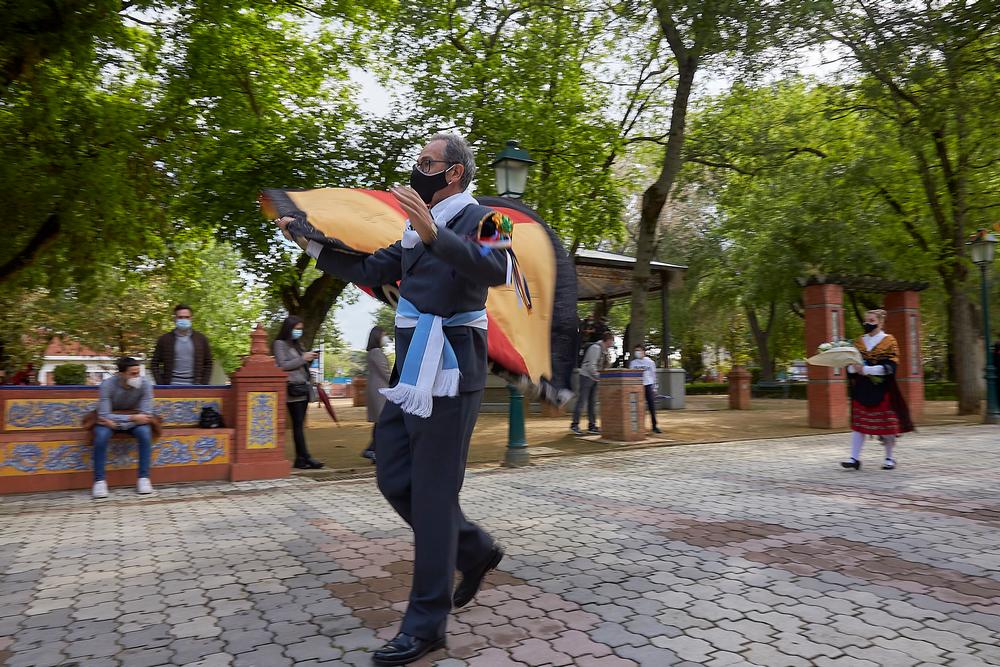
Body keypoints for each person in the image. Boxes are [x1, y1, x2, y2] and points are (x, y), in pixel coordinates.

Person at [277, 133, 508, 666]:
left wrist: (435, 235)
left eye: (427, 162)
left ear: (454, 173)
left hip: (452, 371)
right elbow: (368, 269)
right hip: (411, 370)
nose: (417, 169)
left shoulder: (491, 218)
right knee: (393, 474)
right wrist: (311, 241)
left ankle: (426, 625)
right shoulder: (410, 226)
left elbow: (496, 270)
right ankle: (473, 549)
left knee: (430, 498)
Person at [841, 309, 913, 471]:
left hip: (882, 388)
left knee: (886, 424)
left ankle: (889, 458)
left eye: (872, 320)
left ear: (880, 322)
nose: (867, 323)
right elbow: (851, 363)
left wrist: (867, 370)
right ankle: (854, 458)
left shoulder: (889, 341)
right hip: (862, 388)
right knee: (858, 424)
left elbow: (891, 367)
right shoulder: (859, 342)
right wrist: (853, 369)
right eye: (866, 320)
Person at [91, 357, 156, 499]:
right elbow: (104, 415)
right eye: (133, 374)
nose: (137, 377)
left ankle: (144, 478)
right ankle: (99, 481)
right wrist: (131, 418)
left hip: (126, 421)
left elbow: (146, 414)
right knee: (101, 436)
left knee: (145, 433)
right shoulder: (107, 385)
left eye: (138, 373)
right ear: (121, 374)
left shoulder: (145, 384)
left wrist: (122, 423)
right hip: (111, 422)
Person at [273, 316, 324, 470]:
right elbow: (282, 365)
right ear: (289, 328)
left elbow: (300, 365)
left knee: (299, 425)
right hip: (292, 389)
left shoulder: (297, 345)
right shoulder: (279, 344)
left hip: (303, 387)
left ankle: (300, 459)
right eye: (296, 328)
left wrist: (309, 358)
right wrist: (303, 358)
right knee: (297, 425)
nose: (299, 332)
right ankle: (305, 457)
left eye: (301, 329)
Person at [151, 304, 214, 385]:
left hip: (195, 387)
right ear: (175, 319)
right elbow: (154, 363)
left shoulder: (201, 339)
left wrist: (204, 384)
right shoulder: (164, 339)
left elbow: (208, 363)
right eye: (180, 317)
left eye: (187, 317)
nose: (183, 320)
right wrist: (161, 384)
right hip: (171, 387)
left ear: (191, 318)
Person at [571, 331, 613, 436]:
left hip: (594, 378)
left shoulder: (604, 351)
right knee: (582, 401)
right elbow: (591, 366)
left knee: (592, 403)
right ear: (607, 340)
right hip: (587, 377)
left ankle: (592, 425)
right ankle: (575, 425)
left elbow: (605, 365)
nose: (612, 344)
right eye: (611, 341)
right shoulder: (596, 348)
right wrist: (599, 377)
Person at [363, 326, 391, 463]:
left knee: (379, 422)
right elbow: (385, 372)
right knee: (383, 422)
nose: (386, 338)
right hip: (381, 390)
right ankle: (372, 449)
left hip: (377, 390)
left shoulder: (372, 352)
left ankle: (373, 450)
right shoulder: (377, 353)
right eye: (384, 335)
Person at [629, 343, 661, 434]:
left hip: (648, 386)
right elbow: (631, 376)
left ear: (644, 352)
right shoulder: (633, 363)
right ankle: (639, 426)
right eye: (636, 351)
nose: (637, 352)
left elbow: (654, 376)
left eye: (639, 350)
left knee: (652, 407)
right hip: (637, 387)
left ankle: (654, 426)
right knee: (638, 407)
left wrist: (655, 388)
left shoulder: (650, 362)